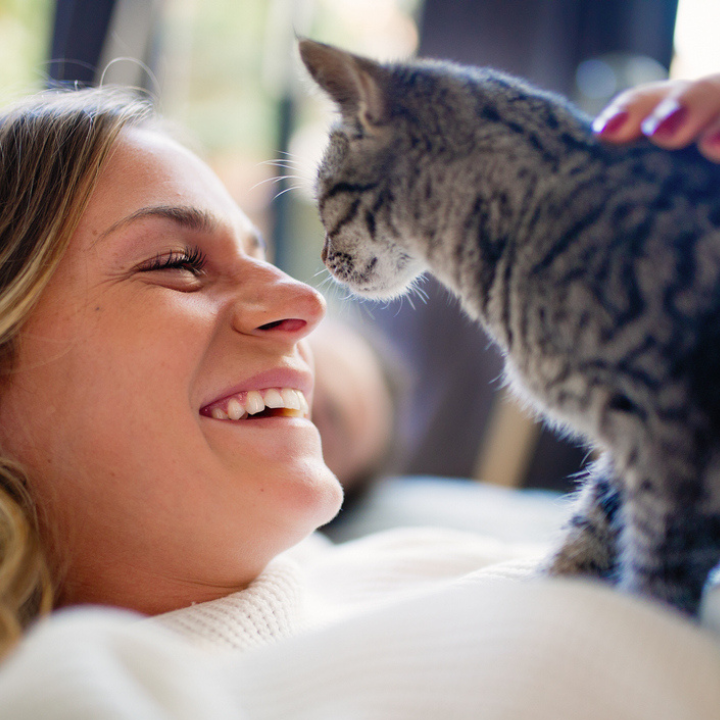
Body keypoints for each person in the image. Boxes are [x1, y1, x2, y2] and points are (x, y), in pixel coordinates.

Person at [1, 78, 720, 719]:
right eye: (177, 263)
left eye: (262, 254)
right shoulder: (78, 692)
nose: (306, 301)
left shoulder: (428, 563)